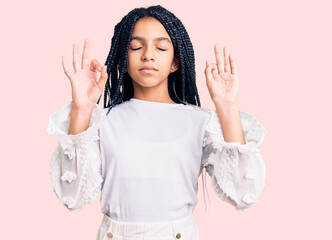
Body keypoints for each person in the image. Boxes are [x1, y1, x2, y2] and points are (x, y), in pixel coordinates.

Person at [47, 5, 267, 240]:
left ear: (175, 62)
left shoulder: (201, 122)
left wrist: (227, 107)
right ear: (122, 60)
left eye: (161, 47)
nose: (148, 55)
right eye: (135, 47)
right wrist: (81, 109)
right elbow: (73, 197)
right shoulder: (103, 122)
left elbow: (243, 194)